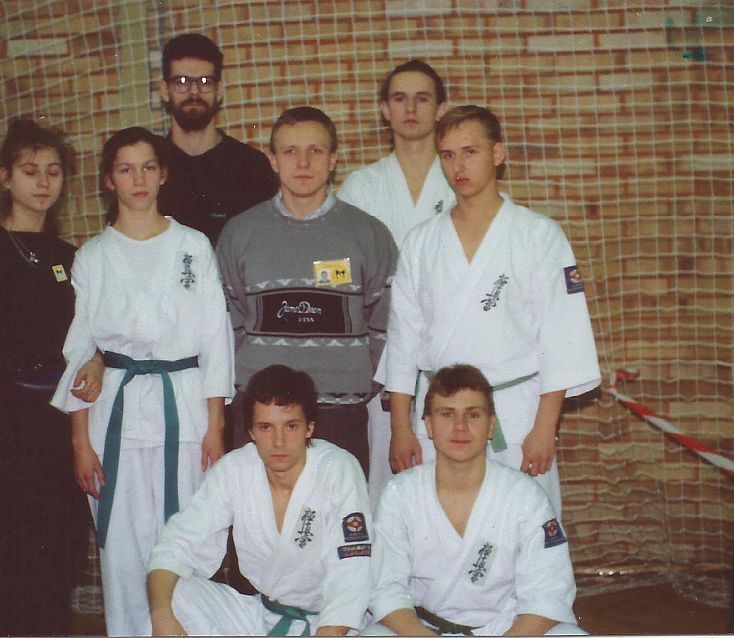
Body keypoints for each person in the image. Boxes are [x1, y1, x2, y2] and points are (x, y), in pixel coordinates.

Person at [50, 126, 234, 636]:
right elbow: (80, 351)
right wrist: (80, 444)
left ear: (163, 174)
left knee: (186, 537)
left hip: (185, 406)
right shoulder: (93, 256)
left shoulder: (192, 245)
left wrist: (216, 426)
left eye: (148, 167)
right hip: (116, 412)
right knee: (123, 546)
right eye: (126, 169)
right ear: (109, 180)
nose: (139, 179)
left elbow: (216, 339)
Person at [385, 106, 600, 514]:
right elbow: (402, 340)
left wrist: (545, 427)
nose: (458, 166)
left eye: (470, 152)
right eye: (448, 155)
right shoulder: (420, 242)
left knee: (522, 521)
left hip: (515, 413)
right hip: (439, 416)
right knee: (440, 524)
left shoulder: (539, 235)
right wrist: (400, 428)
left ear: (498, 154)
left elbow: (561, 336)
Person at [0, 119, 90, 635]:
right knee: (16, 567)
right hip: (4, 426)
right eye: (30, 171)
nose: (44, 181)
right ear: (5, 177)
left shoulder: (72, 259)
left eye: (54, 171)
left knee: (64, 559)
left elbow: (87, 347)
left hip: (61, 426)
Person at [217, 106, 397, 476]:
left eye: (315, 150)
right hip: (261, 414)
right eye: (290, 151)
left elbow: (386, 320)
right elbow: (226, 319)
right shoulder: (240, 233)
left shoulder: (369, 234)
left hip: (340, 411)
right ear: (273, 161)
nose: (303, 162)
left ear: (333, 160)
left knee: (336, 511)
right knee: (256, 511)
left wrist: (357, 378)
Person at [147, 364, 372, 636]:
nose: (278, 441)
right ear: (251, 431)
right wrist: (161, 616)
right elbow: (177, 542)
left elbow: (353, 571)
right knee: (171, 595)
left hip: (330, 624)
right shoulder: (235, 469)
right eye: (266, 427)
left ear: (309, 427)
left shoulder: (338, 469)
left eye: (290, 426)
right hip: (260, 616)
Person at [365, 364, 584, 636]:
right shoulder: (399, 493)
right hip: (424, 629)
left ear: (491, 425)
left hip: (506, 627)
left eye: (473, 415)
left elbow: (548, 593)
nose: (460, 427)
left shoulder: (526, 496)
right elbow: (385, 589)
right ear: (429, 425)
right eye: (447, 414)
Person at [338, 59, 455, 502]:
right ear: (385, 110)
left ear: (440, 109)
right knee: (390, 483)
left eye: (422, 99)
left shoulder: (462, 181)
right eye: (399, 99)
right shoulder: (361, 187)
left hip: (451, 347)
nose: (410, 109)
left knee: (455, 476)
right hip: (385, 356)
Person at [157, 33, 278, 246]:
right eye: (182, 82)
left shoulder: (252, 167)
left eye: (205, 81)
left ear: (219, 90)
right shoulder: (149, 167)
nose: (194, 92)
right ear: (165, 91)